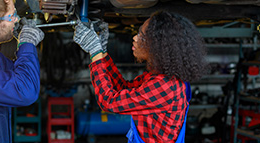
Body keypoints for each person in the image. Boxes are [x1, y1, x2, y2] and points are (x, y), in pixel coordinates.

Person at [74, 11, 207, 143]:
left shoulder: (164, 87)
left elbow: (109, 102)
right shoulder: (162, 78)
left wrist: (94, 51)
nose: (135, 38)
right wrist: (101, 51)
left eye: (142, 36)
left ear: (158, 46)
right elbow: (122, 89)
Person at [0, 0, 44, 142]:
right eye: (12, 16)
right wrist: (27, 43)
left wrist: (22, 41)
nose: (16, 19)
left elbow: (15, 76)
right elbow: (25, 90)